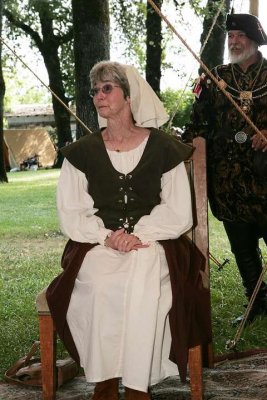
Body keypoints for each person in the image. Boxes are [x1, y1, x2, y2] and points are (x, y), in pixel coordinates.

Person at [46, 61, 211, 399]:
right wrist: (106, 236)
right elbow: (73, 212)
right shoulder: (81, 153)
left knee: (143, 274)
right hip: (96, 244)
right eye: (95, 90)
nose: (98, 96)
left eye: (107, 88)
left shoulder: (163, 148)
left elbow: (179, 211)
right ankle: (105, 381)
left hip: (155, 243)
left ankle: (137, 385)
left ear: (129, 94)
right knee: (100, 280)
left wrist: (141, 235)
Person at [183, 13, 267, 325]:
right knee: (242, 247)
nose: (233, 41)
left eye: (239, 36)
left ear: (254, 40)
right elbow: (197, 124)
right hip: (228, 181)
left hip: (265, 177)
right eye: (230, 36)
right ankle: (257, 302)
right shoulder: (213, 77)